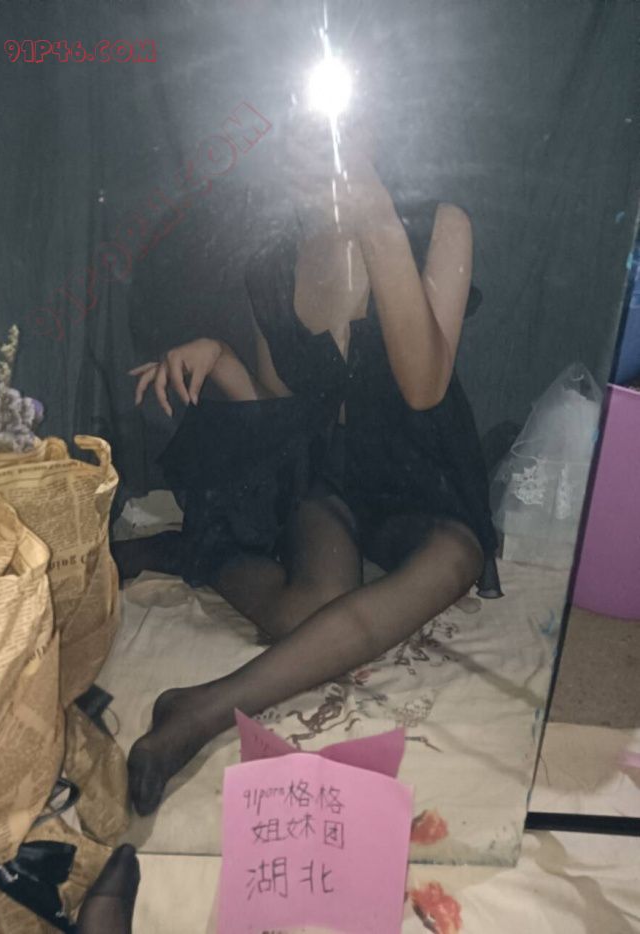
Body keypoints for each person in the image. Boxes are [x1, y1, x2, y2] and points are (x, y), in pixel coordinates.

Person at [124, 112, 502, 816]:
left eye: (336, 123)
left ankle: (201, 709)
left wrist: (376, 218)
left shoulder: (439, 224)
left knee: (456, 557)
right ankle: (193, 551)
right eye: (299, 126)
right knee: (307, 614)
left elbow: (425, 387)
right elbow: (284, 407)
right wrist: (221, 358)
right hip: (330, 474)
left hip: (421, 473)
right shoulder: (273, 262)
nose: (315, 142)